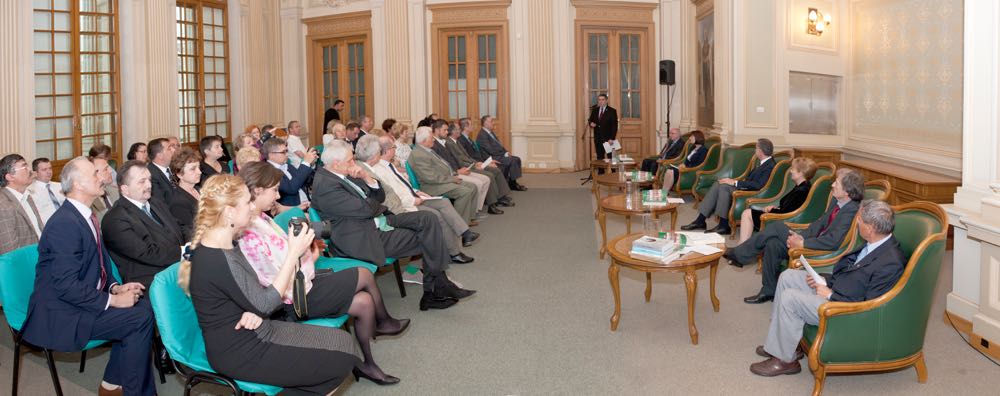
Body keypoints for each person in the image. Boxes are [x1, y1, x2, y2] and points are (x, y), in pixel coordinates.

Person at [182, 174, 362, 394]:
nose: (251, 207)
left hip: (255, 328)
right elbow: (265, 303)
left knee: (344, 344)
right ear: (229, 211)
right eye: (247, 202)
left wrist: (249, 309)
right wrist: (293, 254)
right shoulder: (216, 258)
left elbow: (249, 294)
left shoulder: (228, 244)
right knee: (340, 362)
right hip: (238, 350)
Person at [237, 161, 409, 384]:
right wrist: (307, 258)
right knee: (364, 275)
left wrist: (307, 254)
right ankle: (382, 325)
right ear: (257, 190)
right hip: (291, 300)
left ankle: (368, 363)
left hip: (300, 283)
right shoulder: (248, 232)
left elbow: (286, 256)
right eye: (274, 190)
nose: (278, 196)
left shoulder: (261, 217)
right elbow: (276, 276)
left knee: (365, 302)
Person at [22, 156, 155, 396]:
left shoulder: (85, 215)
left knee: (143, 307)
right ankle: (128, 389)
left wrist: (115, 288)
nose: (103, 177)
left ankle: (113, 384)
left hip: (80, 300)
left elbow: (101, 264)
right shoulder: (65, 223)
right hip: (61, 311)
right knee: (138, 319)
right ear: (78, 185)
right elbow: (65, 286)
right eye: (95, 173)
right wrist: (113, 301)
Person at [311, 140, 475, 310]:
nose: (354, 163)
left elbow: (379, 196)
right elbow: (367, 209)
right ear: (336, 164)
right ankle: (435, 290)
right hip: (361, 236)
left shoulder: (346, 174)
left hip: (377, 220)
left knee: (428, 219)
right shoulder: (326, 186)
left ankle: (438, 288)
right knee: (428, 237)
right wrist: (373, 204)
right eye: (350, 160)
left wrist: (366, 177)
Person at [750, 200, 904, 376]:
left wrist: (830, 296)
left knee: (789, 297)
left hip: (843, 309)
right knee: (788, 277)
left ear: (870, 228)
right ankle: (784, 345)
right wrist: (825, 280)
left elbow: (869, 304)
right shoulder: (876, 242)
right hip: (836, 290)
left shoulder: (891, 262)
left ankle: (785, 361)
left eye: (860, 220)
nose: (857, 223)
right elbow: (853, 274)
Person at [727, 168, 865, 304]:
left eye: (837, 183)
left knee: (776, 226)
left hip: (822, 251)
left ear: (847, 192)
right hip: (811, 241)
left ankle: (739, 254)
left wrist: (803, 244)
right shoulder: (837, 201)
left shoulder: (851, 210)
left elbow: (833, 241)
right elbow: (819, 224)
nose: (832, 185)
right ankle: (768, 290)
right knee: (773, 243)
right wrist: (800, 237)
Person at [356, 135, 477, 261]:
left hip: (412, 196)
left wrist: (416, 191)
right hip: (405, 204)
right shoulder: (378, 170)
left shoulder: (387, 165)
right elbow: (391, 196)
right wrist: (413, 200)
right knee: (436, 215)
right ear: (385, 151)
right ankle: (453, 252)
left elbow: (402, 185)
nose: (395, 149)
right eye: (393, 147)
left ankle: (464, 233)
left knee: (444, 203)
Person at [103, 160, 186, 288]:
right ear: (125, 189)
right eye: (142, 181)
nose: (148, 185)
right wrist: (184, 252)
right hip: (151, 281)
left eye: (149, 180)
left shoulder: (155, 203)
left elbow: (179, 227)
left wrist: (198, 240)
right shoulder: (115, 219)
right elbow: (146, 253)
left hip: (178, 267)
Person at [681, 138, 776, 235]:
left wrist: (735, 183)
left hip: (754, 193)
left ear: (761, 151)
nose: (755, 151)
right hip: (746, 187)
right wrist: (733, 181)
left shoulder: (770, 165)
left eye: (756, 148)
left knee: (724, 187)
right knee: (720, 183)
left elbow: (758, 185)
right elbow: (750, 180)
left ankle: (723, 225)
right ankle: (701, 220)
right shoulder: (763, 162)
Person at [408, 127, 479, 223]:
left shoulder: (426, 149)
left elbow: (440, 168)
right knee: (465, 192)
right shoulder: (418, 154)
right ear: (424, 140)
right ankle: (458, 224)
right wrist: (452, 179)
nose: (433, 139)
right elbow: (430, 178)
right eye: (431, 138)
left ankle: (468, 219)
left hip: (442, 181)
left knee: (473, 187)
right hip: (432, 186)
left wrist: (453, 175)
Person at [737, 157, 817, 243]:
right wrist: (775, 208)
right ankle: (743, 247)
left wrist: (771, 210)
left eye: (793, 169)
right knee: (748, 213)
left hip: (781, 222)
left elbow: (787, 214)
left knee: (747, 213)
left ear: (800, 173)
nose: (791, 171)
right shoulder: (802, 186)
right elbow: (790, 207)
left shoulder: (802, 191)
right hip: (782, 217)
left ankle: (742, 246)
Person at [431, 120, 496, 215]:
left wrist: (461, 169)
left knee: (485, 179)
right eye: (445, 130)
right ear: (437, 130)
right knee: (477, 184)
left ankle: (474, 211)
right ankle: (471, 213)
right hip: (451, 174)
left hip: (457, 170)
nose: (447, 132)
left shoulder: (443, 142)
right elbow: (440, 165)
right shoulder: (435, 144)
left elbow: (454, 159)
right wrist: (457, 171)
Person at [453, 119, 514, 207]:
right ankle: (496, 199)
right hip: (473, 164)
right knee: (493, 172)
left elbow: (474, 155)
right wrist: (479, 163)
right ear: (466, 127)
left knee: (496, 169)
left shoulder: (467, 138)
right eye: (471, 125)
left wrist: (485, 162)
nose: (473, 126)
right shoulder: (461, 140)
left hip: (478, 161)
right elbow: (466, 158)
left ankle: (501, 196)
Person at [0, 154, 45, 255]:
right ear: (10, 177)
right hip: (26, 264)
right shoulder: (3, 205)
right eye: (25, 167)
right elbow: (11, 252)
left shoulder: (27, 195)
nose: (30, 170)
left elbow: (38, 232)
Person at [262, 137, 317, 209]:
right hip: (292, 209)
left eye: (287, 151)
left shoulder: (287, 165)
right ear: (271, 155)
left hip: (307, 202)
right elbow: (292, 188)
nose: (287, 154)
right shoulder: (268, 171)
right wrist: (306, 163)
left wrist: (311, 164)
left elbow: (303, 180)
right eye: (283, 152)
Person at [476, 115, 527, 191]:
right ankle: (513, 184)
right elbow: (490, 150)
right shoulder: (482, 135)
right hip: (490, 157)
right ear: (486, 123)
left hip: (497, 155)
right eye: (491, 121)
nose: (493, 123)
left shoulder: (490, 133)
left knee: (516, 159)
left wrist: (506, 152)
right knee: (512, 160)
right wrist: (504, 154)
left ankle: (512, 182)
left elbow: (499, 145)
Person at [169, 147, 202, 239]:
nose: (199, 172)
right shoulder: (178, 202)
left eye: (199, 167)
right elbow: (190, 233)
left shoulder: (199, 189)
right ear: (179, 174)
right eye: (193, 169)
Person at [28, 157, 64, 223]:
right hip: (49, 226)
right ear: (35, 173)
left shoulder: (60, 186)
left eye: (50, 168)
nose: (49, 172)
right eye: (44, 170)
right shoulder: (30, 192)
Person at [587, 93, 619, 161]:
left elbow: (614, 126)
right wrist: (591, 123)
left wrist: (612, 138)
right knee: (599, 156)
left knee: (610, 156)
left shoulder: (612, 111)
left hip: (608, 138)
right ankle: (600, 171)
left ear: (606, 101)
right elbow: (590, 120)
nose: (601, 101)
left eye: (602, 100)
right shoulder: (595, 110)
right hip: (598, 137)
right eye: (599, 100)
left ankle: (612, 171)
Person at [89, 157, 120, 222]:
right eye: (106, 169)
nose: (111, 171)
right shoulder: (89, 199)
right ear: (95, 174)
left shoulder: (116, 191)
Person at [146, 137, 175, 205]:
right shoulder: (150, 175)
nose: (173, 150)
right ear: (160, 155)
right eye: (169, 149)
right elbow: (160, 204)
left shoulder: (174, 168)